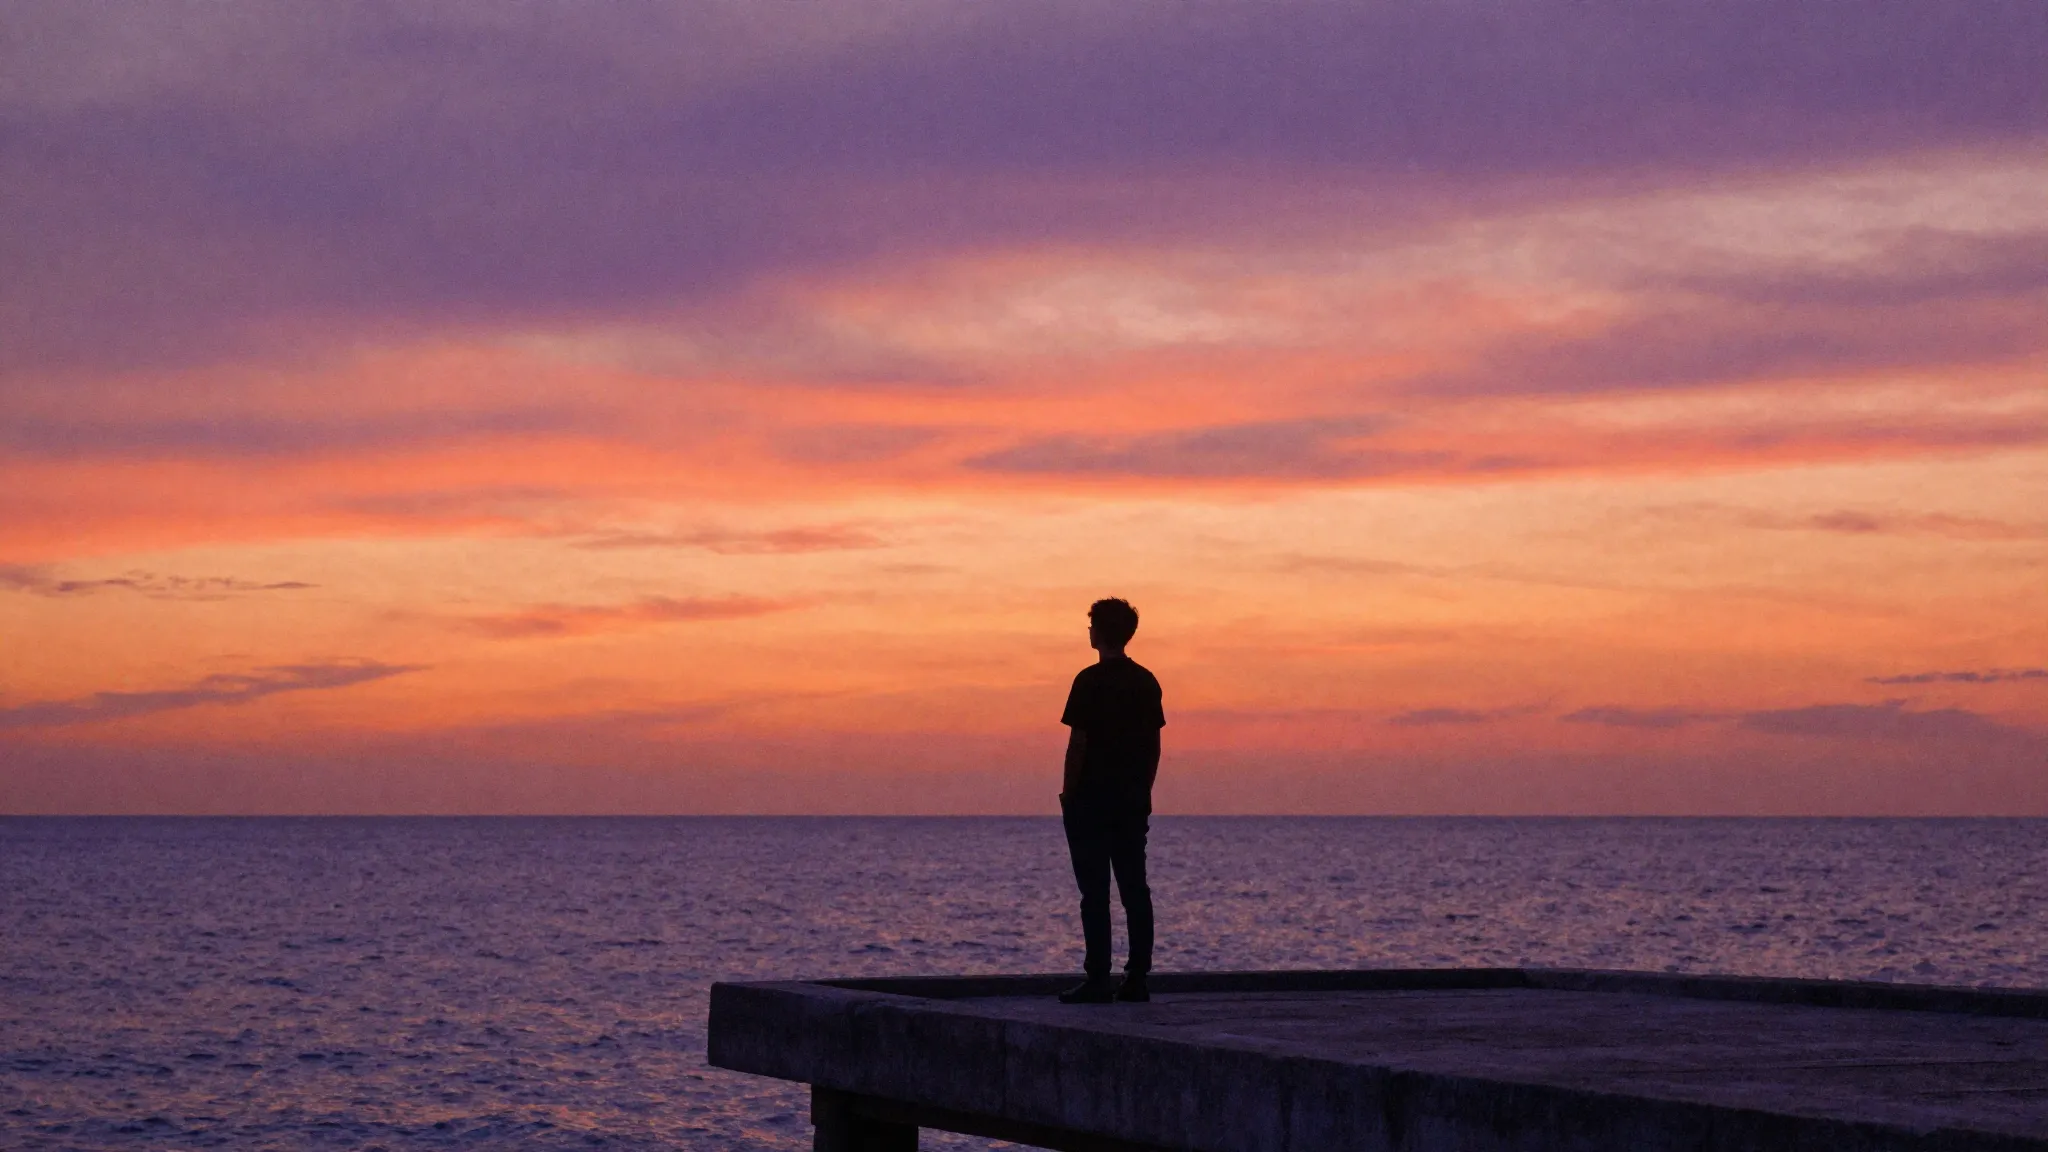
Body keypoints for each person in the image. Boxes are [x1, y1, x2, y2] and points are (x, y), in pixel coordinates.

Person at [1056, 597, 1165, 1004]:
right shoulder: (1146, 681)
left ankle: (1098, 977)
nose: (1089, 631)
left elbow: (1078, 743)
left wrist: (1068, 794)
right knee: (1134, 888)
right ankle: (1137, 977)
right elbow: (1153, 747)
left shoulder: (1088, 681)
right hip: (1131, 800)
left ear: (1100, 632)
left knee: (1095, 892)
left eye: (1092, 625)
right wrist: (1144, 791)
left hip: (1090, 799)